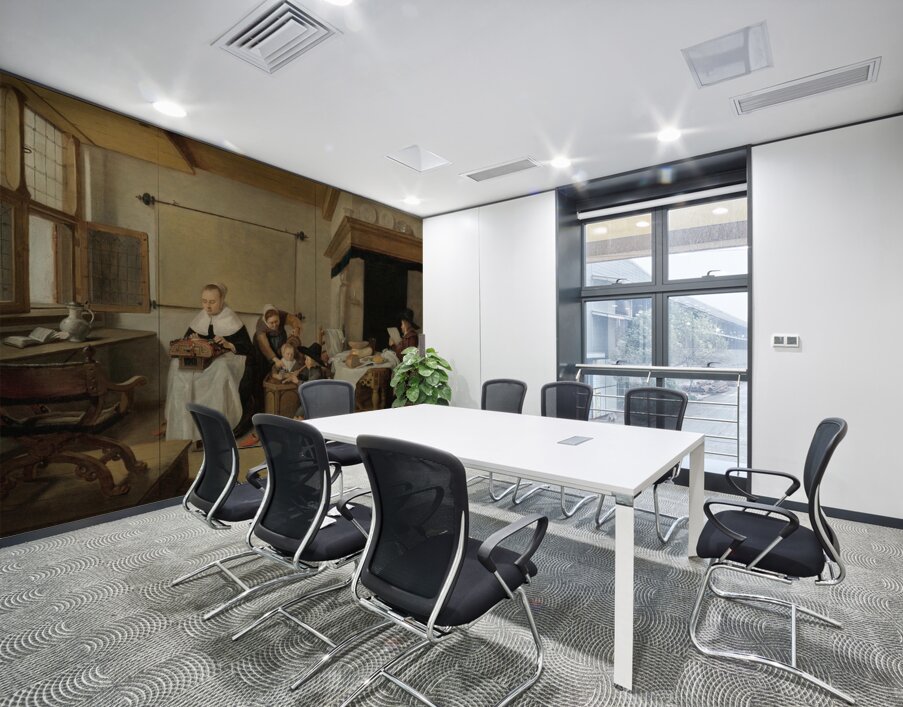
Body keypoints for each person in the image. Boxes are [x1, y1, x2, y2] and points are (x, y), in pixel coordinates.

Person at [165, 283, 255, 442]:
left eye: (212, 302)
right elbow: (186, 341)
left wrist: (228, 344)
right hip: (202, 360)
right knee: (176, 367)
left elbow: (248, 348)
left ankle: (215, 427)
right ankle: (184, 427)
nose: (207, 306)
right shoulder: (200, 318)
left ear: (221, 301)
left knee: (220, 368)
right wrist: (193, 341)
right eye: (204, 301)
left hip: (228, 359)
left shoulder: (232, 319)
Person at [254, 304, 303, 369]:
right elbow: (265, 346)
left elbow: (294, 320)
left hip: (280, 338)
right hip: (265, 343)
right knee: (265, 365)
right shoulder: (260, 324)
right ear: (266, 322)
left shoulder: (281, 314)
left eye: (276, 321)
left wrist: (296, 328)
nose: (275, 325)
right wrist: (276, 360)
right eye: (271, 323)